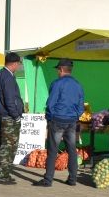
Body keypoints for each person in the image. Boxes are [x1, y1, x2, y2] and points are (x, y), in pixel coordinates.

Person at [34, 58, 84, 187]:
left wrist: (50, 117)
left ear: (61, 69)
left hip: (57, 120)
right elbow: (81, 107)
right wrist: (75, 116)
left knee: (52, 150)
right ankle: (73, 179)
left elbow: (51, 103)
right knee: (72, 150)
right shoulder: (78, 85)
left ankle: (48, 180)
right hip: (72, 121)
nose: (57, 72)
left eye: (58, 69)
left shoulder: (57, 84)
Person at [0, 52, 24, 184]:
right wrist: (16, 116)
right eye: (18, 64)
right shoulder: (8, 78)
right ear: (15, 63)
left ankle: (4, 173)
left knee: (4, 145)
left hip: (2, 115)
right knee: (9, 147)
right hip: (9, 117)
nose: (18, 66)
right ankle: (2, 175)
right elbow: (10, 100)